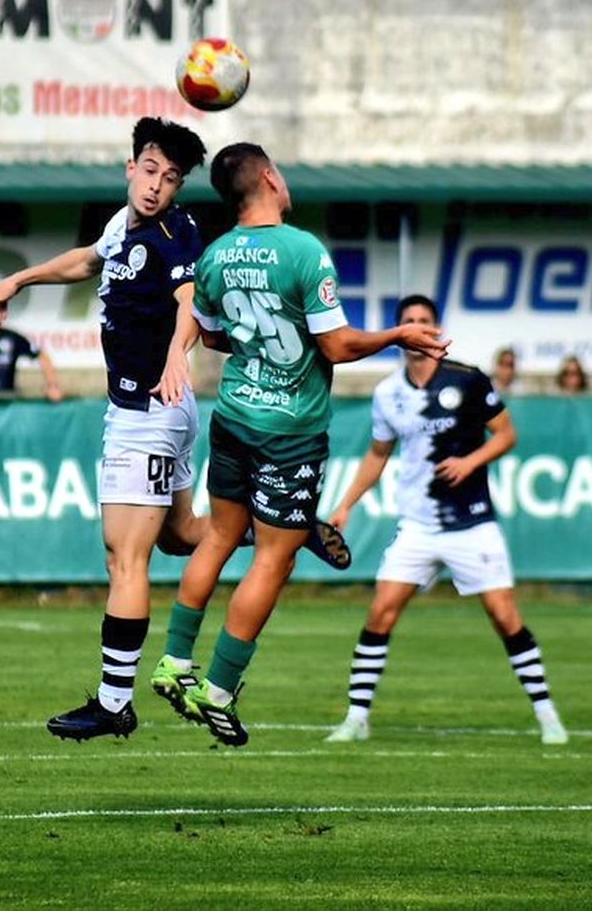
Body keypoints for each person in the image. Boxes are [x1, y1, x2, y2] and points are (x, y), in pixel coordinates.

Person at [0, 119, 350, 744]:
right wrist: (19, 279)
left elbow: (186, 298)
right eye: (150, 171)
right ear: (130, 169)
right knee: (179, 536)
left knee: (125, 557)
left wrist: (180, 350)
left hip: (149, 412)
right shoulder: (125, 226)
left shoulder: (177, 234)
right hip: (151, 412)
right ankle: (286, 526)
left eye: (171, 179)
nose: (157, 186)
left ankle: (114, 701)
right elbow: (87, 260)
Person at [148, 142, 448, 748]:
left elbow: (210, 335)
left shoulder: (215, 256)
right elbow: (335, 347)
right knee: (273, 558)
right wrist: (397, 334)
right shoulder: (304, 250)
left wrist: (261, 343)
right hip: (289, 433)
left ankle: (176, 661)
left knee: (223, 535)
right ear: (268, 177)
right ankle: (221, 689)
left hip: (232, 415)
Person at [323, 295, 568, 746]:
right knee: (380, 612)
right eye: (408, 321)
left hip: (471, 522)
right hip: (417, 524)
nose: (417, 327)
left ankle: (547, 715)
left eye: (424, 320)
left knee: (503, 615)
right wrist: (346, 504)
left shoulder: (468, 380)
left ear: (436, 329)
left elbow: (507, 435)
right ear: (399, 333)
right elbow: (378, 456)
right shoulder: (387, 394)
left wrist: (470, 462)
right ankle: (357, 719)